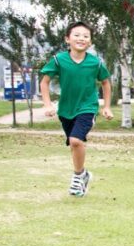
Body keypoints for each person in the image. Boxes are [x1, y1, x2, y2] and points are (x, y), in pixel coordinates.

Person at [39, 21, 113, 197]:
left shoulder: (96, 63)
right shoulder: (59, 60)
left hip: (87, 108)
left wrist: (107, 106)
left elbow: (106, 83)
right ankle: (84, 174)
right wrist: (48, 104)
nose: (81, 38)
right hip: (65, 110)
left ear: (90, 42)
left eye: (86, 36)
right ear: (67, 39)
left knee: (75, 141)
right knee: (74, 145)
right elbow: (44, 81)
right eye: (77, 35)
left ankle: (77, 176)